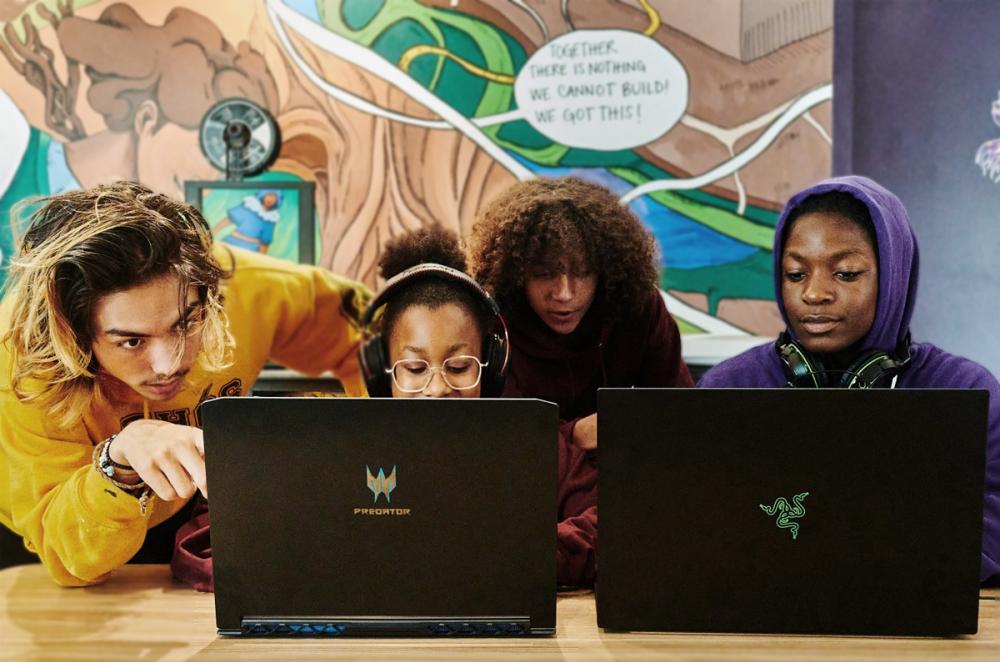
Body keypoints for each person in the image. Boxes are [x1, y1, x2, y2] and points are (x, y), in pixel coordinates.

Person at [172, 225, 598, 588]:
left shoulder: (533, 442)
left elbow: (616, 519)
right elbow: (204, 542)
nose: (437, 388)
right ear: (380, 371)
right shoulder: (326, 443)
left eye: (459, 366)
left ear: (492, 366)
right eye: (414, 368)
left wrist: (511, 556)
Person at [0, 181, 370, 585]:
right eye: (131, 341)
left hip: (189, 504)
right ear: (75, 334)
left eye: (187, 322)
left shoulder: (250, 285)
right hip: (51, 536)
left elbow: (381, 340)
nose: (169, 364)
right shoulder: (21, 360)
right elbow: (71, 558)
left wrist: (361, 459)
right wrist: (119, 461)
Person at [699, 175, 999, 583]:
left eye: (845, 273)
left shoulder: (964, 389)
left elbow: (993, 528)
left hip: (913, 621)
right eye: (795, 274)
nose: (814, 294)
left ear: (893, 278)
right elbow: (696, 527)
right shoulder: (729, 387)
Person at [468, 176, 693, 451]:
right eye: (543, 274)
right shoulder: (492, 322)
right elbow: (496, 433)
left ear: (606, 270)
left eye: (583, 272)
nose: (564, 293)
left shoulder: (637, 306)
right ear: (516, 275)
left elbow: (677, 411)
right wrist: (574, 433)